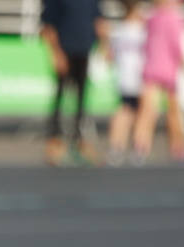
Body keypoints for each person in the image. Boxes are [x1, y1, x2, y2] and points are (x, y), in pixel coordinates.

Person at [41, 0, 105, 165]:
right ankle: (54, 139)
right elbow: (48, 24)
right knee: (60, 97)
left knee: (81, 97)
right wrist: (55, 53)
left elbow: (98, 18)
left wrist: (105, 43)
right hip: (64, 49)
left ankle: (79, 140)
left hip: (83, 50)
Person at [132, 0, 184, 163]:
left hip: (151, 68)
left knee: (147, 113)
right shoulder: (175, 18)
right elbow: (176, 45)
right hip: (168, 70)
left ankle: (140, 147)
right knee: (174, 113)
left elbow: (146, 44)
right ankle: (178, 149)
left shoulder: (151, 18)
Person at [105, 0, 146, 166]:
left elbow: (109, 56)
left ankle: (117, 147)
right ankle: (137, 148)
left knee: (125, 110)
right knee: (137, 113)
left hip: (123, 77)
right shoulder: (142, 30)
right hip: (139, 77)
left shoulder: (118, 30)